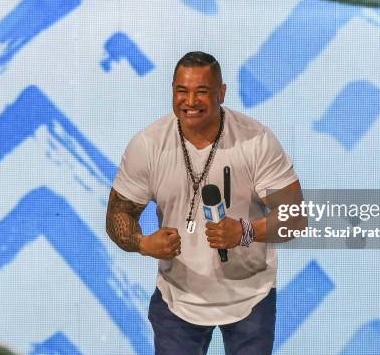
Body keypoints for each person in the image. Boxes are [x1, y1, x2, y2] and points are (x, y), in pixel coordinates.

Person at [106, 51, 304, 354]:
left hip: (250, 299)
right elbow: (118, 213)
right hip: (178, 301)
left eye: (202, 92)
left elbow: (295, 216)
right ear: (172, 91)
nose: (190, 101)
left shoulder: (256, 141)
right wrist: (142, 243)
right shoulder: (148, 145)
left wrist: (245, 231)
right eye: (182, 91)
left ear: (221, 93)